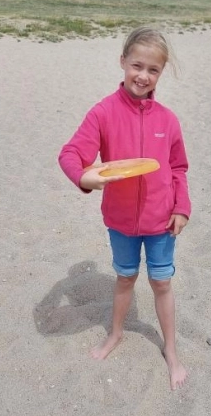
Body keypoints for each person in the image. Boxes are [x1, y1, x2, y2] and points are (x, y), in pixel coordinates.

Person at [58, 26, 191, 390]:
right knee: (125, 277)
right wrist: (85, 178)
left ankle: (172, 350)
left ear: (161, 73)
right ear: (122, 62)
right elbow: (72, 154)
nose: (143, 76)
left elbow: (178, 168)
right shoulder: (103, 112)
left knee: (162, 282)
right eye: (137, 65)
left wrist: (181, 206)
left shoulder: (168, 119)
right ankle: (115, 333)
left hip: (162, 220)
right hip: (120, 221)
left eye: (153, 70)